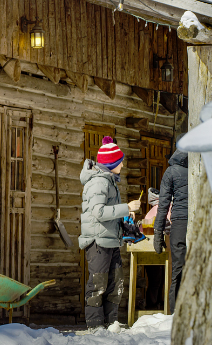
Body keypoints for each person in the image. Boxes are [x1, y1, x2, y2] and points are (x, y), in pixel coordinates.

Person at [79, 136, 141, 329]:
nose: (122, 164)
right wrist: (126, 207)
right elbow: (98, 212)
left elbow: (108, 212)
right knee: (98, 285)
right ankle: (96, 328)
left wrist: (127, 219)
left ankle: (110, 324)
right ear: (112, 162)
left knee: (115, 284)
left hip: (110, 240)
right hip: (98, 241)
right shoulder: (99, 182)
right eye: (120, 161)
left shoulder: (109, 181)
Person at [153, 143, 188, 314]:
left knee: (178, 271)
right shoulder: (202, 166)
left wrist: (158, 233)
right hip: (199, 222)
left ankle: (175, 315)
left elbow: (163, 205)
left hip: (180, 223)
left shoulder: (171, 172)